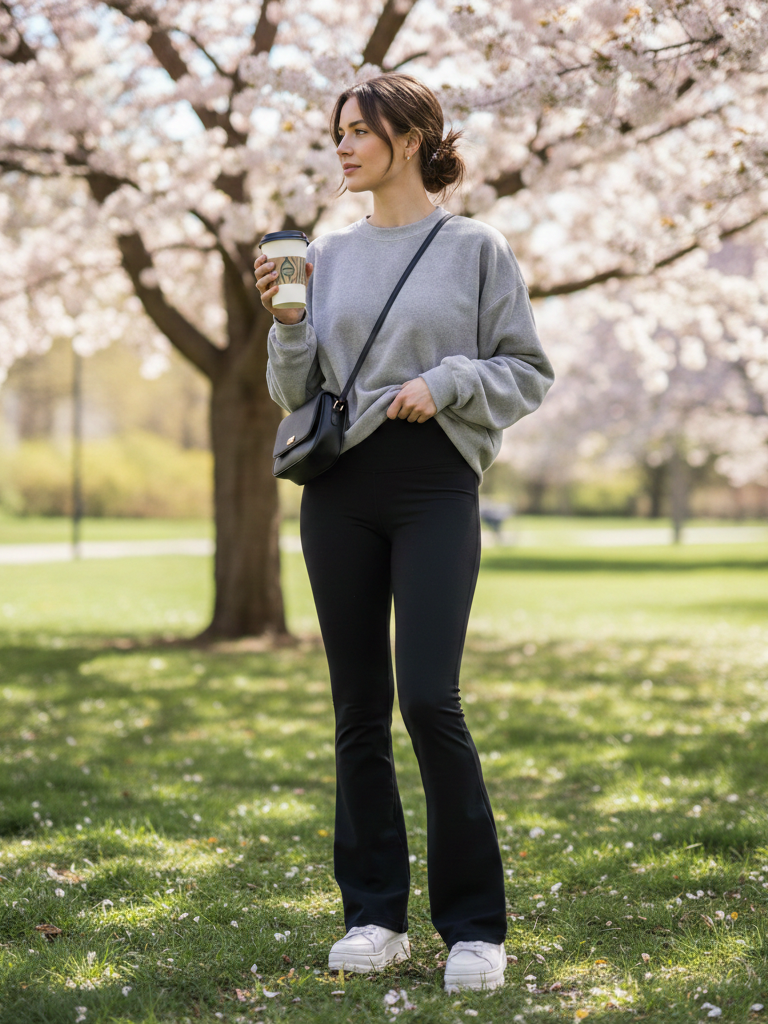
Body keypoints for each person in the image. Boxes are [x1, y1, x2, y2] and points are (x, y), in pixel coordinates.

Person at [256, 72, 554, 992]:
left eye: (360, 131)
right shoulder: (328, 254)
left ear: (413, 135)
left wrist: (452, 380)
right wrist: (289, 323)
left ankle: (474, 929)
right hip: (338, 488)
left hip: (433, 483)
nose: (342, 146)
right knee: (357, 711)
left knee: (429, 697)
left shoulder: (475, 248)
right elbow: (295, 396)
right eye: (337, 131)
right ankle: (373, 914)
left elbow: (527, 371)